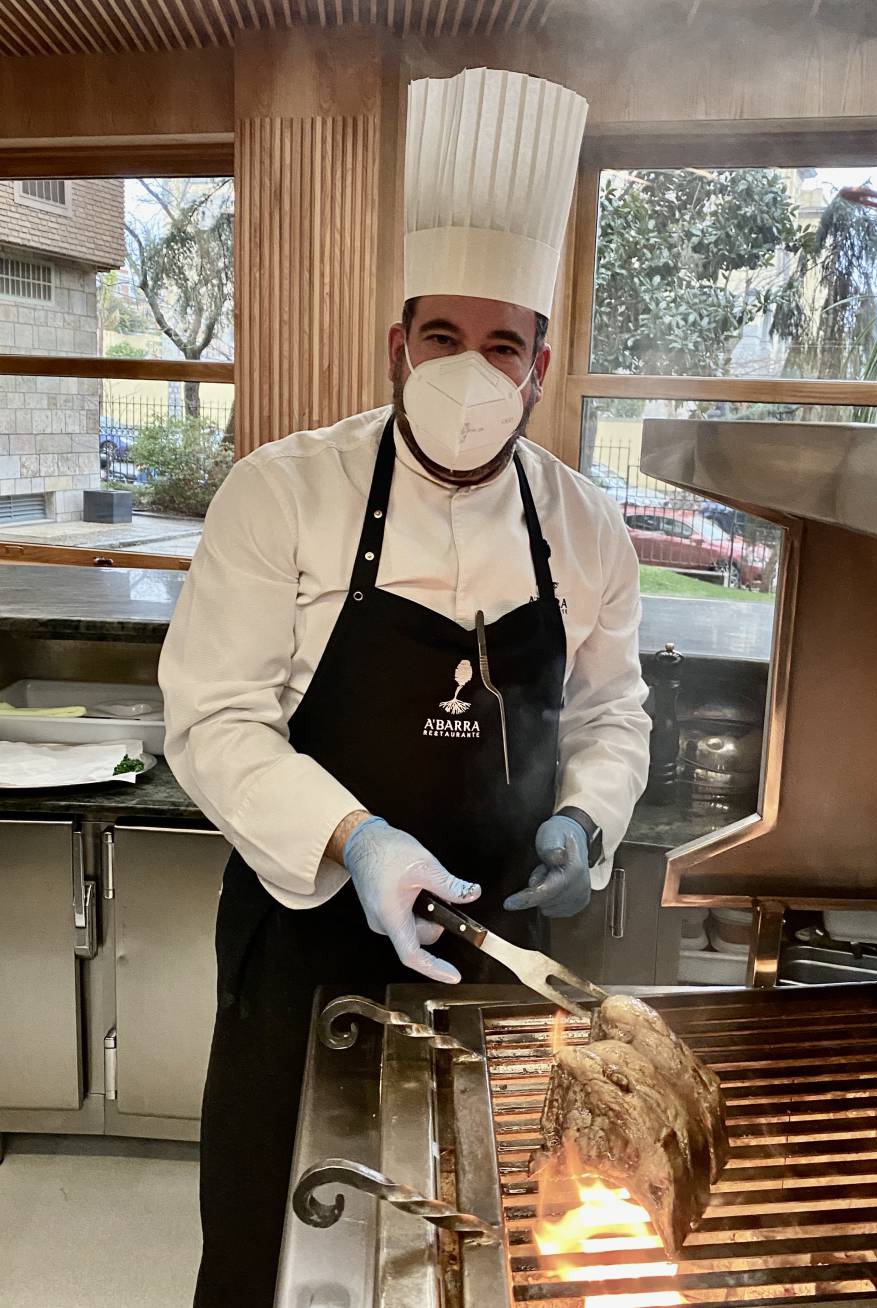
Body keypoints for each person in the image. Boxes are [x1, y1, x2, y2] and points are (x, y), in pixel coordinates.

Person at [158, 67, 651, 1308]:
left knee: (492, 1254)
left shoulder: (585, 526)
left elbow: (609, 714)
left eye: (501, 345)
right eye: (441, 337)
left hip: (503, 947)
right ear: (397, 342)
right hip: (306, 938)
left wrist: (585, 821)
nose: (468, 369)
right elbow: (212, 716)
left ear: (540, 364)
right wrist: (357, 837)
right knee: (274, 1245)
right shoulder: (283, 492)